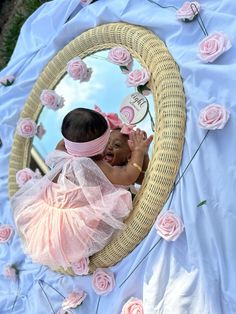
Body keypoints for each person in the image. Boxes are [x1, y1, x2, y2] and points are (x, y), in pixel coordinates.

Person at [12, 108, 152, 270]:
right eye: (107, 141)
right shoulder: (94, 165)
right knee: (111, 205)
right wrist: (139, 152)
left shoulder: (63, 152)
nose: (109, 147)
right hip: (69, 229)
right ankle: (81, 253)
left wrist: (79, 137)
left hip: (45, 218)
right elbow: (128, 176)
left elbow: (67, 141)